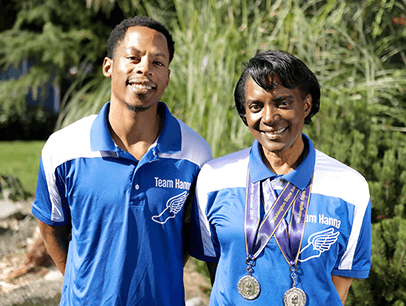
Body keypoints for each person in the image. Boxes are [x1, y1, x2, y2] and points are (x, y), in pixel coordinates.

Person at [32, 16, 212, 305]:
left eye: (157, 62)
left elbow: (188, 237)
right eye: (133, 57)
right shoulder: (64, 147)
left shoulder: (195, 154)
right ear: (109, 66)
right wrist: (81, 282)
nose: (144, 68)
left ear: (167, 75)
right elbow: (51, 226)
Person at [190, 50, 371, 305]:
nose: (269, 117)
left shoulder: (349, 187)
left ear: (306, 105)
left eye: (282, 103)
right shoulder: (214, 178)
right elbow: (218, 264)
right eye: (256, 106)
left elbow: (340, 282)